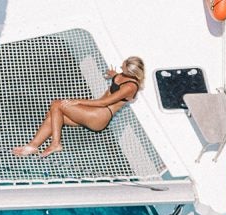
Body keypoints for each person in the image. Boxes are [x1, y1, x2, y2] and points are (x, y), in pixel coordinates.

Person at [13, 57, 146, 157]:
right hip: (94, 111)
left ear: (131, 73)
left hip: (99, 116)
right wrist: (113, 74)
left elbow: (103, 103)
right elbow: (118, 78)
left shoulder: (130, 86)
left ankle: (56, 144)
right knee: (53, 115)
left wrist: (78, 101)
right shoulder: (124, 76)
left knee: (57, 104)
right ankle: (32, 146)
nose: (120, 68)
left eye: (123, 68)